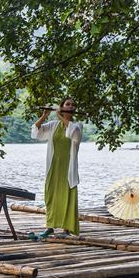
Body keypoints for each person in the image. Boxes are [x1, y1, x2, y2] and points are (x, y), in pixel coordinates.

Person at [29, 99, 83, 239]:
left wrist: (60, 115)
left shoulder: (77, 125)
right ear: (62, 107)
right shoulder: (53, 125)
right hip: (53, 166)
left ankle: (66, 228)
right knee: (51, 195)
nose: (71, 106)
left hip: (68, 168)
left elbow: (74, 134)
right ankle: (50, 226)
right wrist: (44, 115)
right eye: (68, 104)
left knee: (67, 196)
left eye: (73, 105)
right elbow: (36, 132)